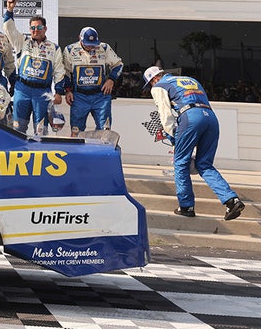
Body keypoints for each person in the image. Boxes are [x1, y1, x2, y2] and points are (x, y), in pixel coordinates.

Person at [143, 66, 245, 220]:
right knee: (204, 164)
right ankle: (232, 201)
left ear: (154, 79)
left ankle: (186, 206)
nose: (151, 86)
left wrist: (173, 138)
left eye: (150, 83)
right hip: (211, 118)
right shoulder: (190, 80)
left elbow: (165, 115)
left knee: (180, 162)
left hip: (190, 117)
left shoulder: (159, 86)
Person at [3, 0, 65, 134]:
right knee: (17, 128)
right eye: (32, 28)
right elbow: (8, 28)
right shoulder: (22, 42)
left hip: (42, 92)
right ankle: (17, 153)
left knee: (41, 130)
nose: (35, 30)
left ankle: (40, 154)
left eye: (39, 27)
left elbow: (59, 71)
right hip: (22, 90)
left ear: (45, 29)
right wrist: (9, 10)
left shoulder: (53, 48)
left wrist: (59, 92)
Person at [62, 26, 123, 137]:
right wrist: (68, 90)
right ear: (79, 39)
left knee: (105, 130)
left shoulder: (104, 48)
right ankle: (77, 154)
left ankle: (102, 153)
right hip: (79, 96)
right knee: (76, 132)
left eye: (93, 44)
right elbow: (65, 72)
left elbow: (118, 64)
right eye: (87, 44)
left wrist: (111, 79)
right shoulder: (70, 50)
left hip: (101, 96)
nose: (90, 47)